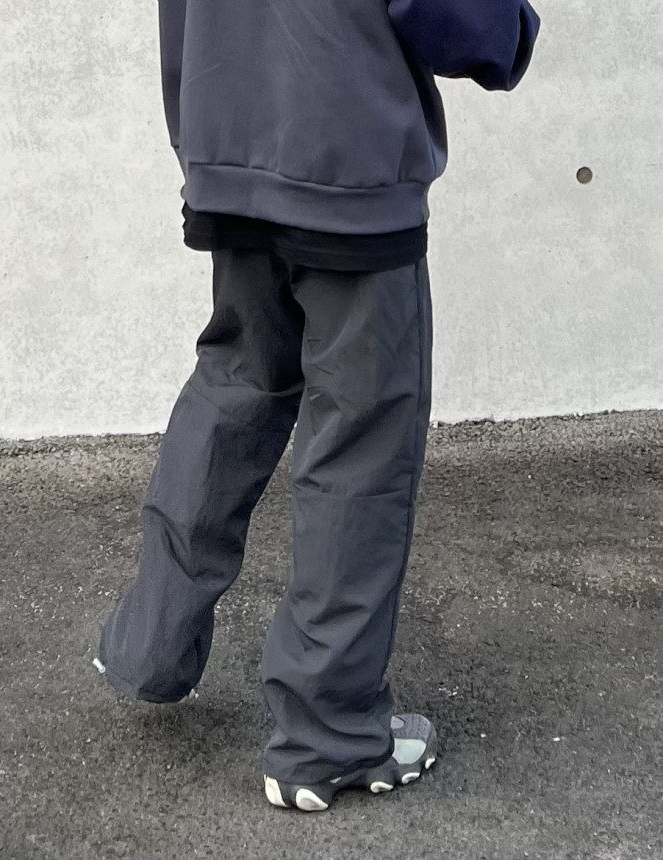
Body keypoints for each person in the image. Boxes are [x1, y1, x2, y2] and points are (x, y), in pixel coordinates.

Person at [97, 0, 541, 811]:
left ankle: (148, 647)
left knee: (234, 389)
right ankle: (327, 737)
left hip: (229, 155)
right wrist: (507, 32)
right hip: (347, 167)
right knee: (361, 442)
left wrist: (202, 146)